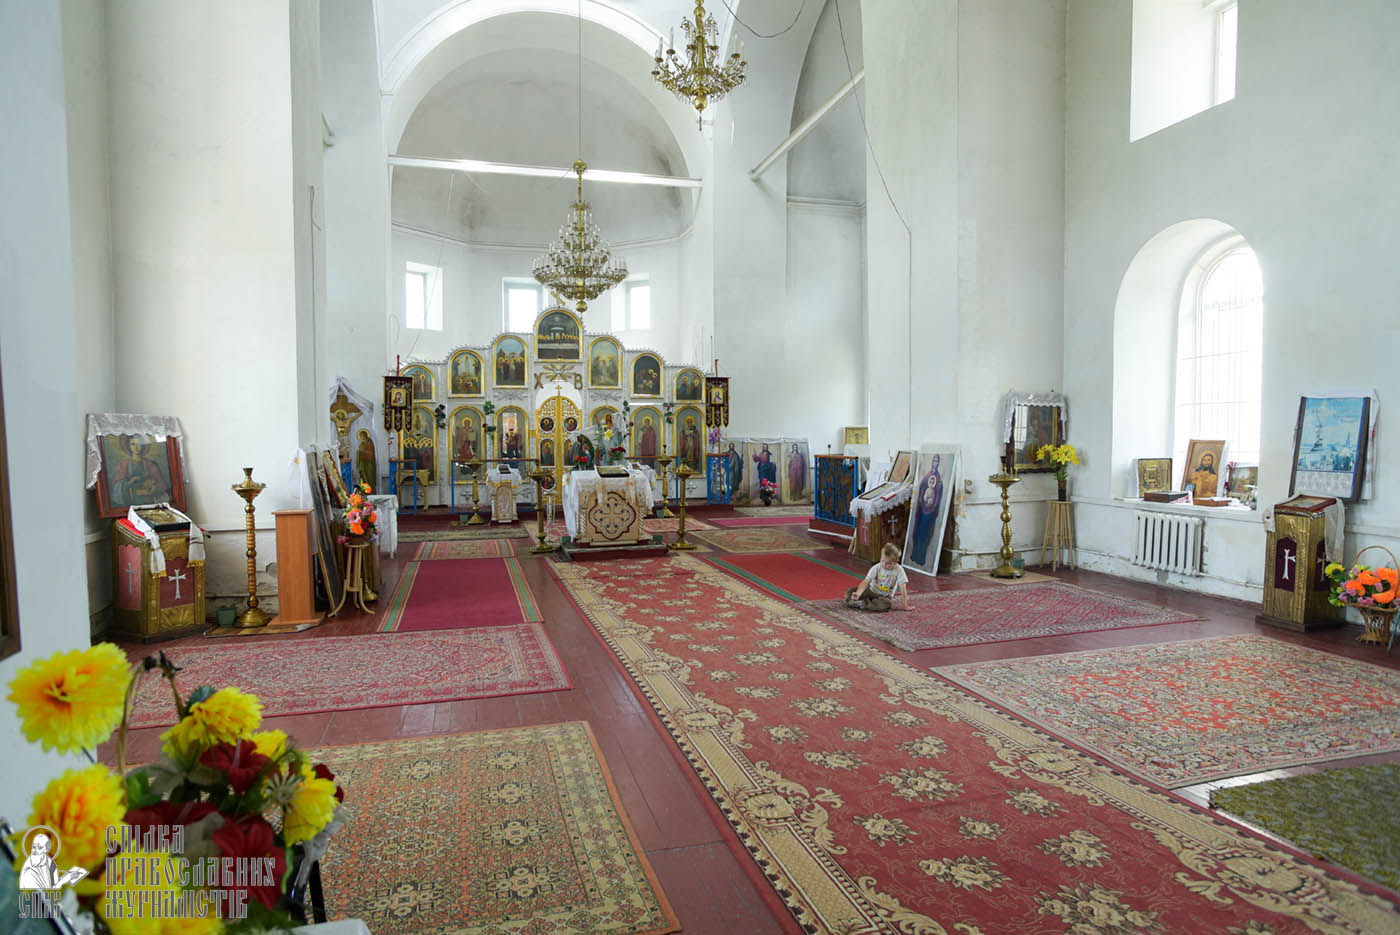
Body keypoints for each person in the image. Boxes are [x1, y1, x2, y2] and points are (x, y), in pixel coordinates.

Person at [844, 543, 912, 612]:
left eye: (888, 563)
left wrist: (905, 606)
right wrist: (858, 593)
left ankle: (863, 603)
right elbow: (866, 581)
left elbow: (903, 589)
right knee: (849, 593)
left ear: (896, 562)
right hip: (871, 591)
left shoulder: (899, 570)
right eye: (882, 560)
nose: (884, 565)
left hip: (884, 596)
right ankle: (865, 602)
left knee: (886, 604)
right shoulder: (877, 567)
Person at [909, 454, 944, 567]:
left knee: (925, 534)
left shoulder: (939, 481)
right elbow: (921, 491)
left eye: (937, 461)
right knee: (918, 533)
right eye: (934, 460)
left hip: (929, 513)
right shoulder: (926, 477)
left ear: (939, 463)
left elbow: (937, 499)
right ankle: (914, 555)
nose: (935, 463)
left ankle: (921, 558)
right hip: (922, 510)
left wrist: (931, 505)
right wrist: (923, 500)